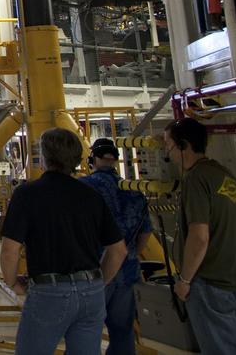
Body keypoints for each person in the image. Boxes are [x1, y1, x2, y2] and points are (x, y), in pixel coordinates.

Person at [0, 128, 127, 355]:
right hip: (91, 293)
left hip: (50, 292)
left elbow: (10, 250)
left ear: (44, 157)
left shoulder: (27, 194)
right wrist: (99, 283)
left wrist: (11, 282)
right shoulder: (90, 195)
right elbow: (118, 250)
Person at [164, 118, 236, 355]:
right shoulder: (222, 174)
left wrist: (184, 280)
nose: (167, 152)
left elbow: (199, 236)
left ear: (184, 146)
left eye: (168, 145)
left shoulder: (195, 179)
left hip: (211, 283)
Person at [80, 138, 152, 355]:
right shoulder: (135, 191)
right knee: (123, 330)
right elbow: (146, 232)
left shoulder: (84, 188)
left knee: (85, 330)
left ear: (92, 159)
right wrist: (129, 255)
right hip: (127, 270)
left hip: (94, 270)